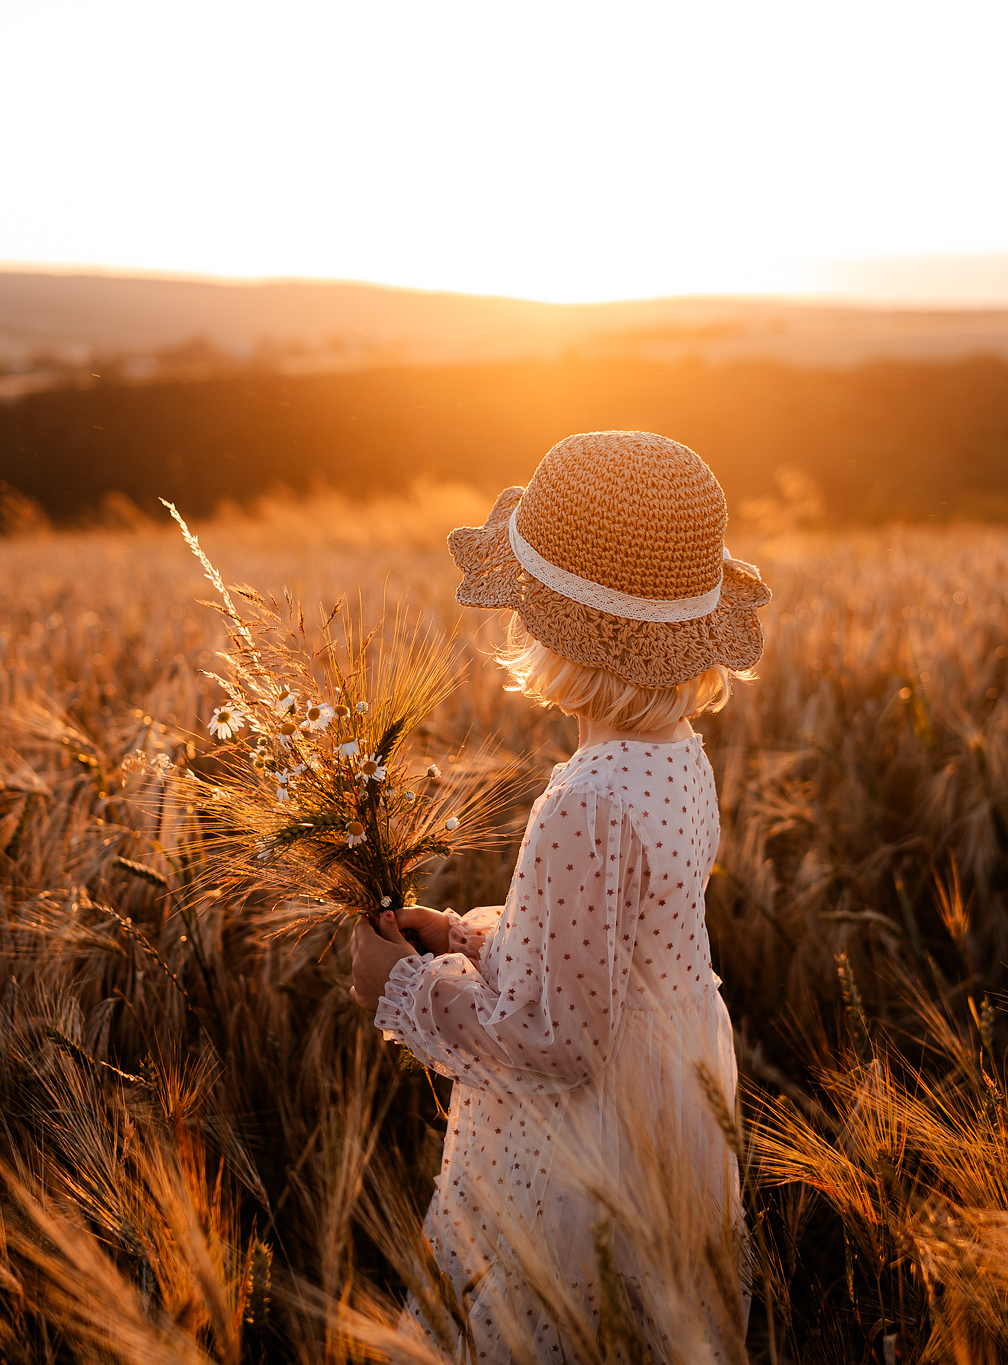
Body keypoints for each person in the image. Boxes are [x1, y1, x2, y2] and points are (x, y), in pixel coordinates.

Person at [348, 430, 772, 1363]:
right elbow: (605, 954)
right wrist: (464, 934)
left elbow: (558, 1039)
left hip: (588, 1145)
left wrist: (403, 987)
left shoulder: (585, 798)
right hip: (670, 1106)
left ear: (550, 625)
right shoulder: (677, 759)